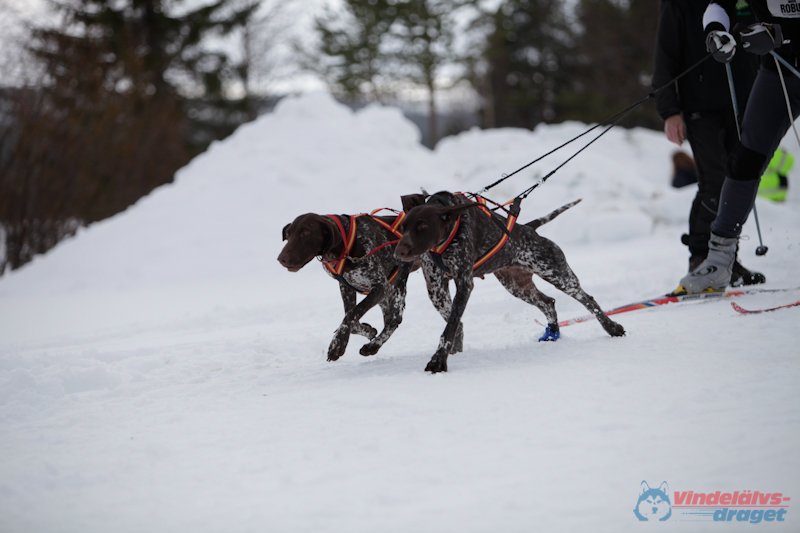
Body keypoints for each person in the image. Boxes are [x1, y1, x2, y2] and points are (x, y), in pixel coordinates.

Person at [677, 0, 800, 294]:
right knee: (745, 158)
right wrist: (717, 32)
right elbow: (718, 5)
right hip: (778, 72)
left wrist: (779, 33)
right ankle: (719, 261)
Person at [653, 0, 765, 287]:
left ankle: (727, 258)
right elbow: (665, 55)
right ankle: (702, 257)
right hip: (699, 107)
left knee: (739, 179)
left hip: (744, 102)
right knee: (715, 180)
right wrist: (670, 110)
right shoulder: (678, 5)